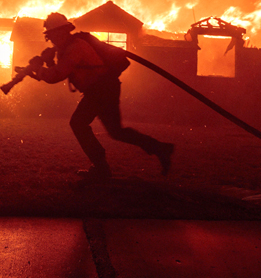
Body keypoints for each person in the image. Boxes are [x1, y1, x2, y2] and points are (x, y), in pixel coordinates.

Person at [27, 12, 174, 180]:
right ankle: (160, 149)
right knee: (116, 132)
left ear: (61, 32)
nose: (51, 40)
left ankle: (101, 168)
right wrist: (48, 63)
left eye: (51, 35)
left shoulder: (75, 47)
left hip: (101, 90)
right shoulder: (68, 48)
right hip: (104, 89)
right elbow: (60, 71)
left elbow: (56, 75)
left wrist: (39, 69)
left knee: (78, 123)